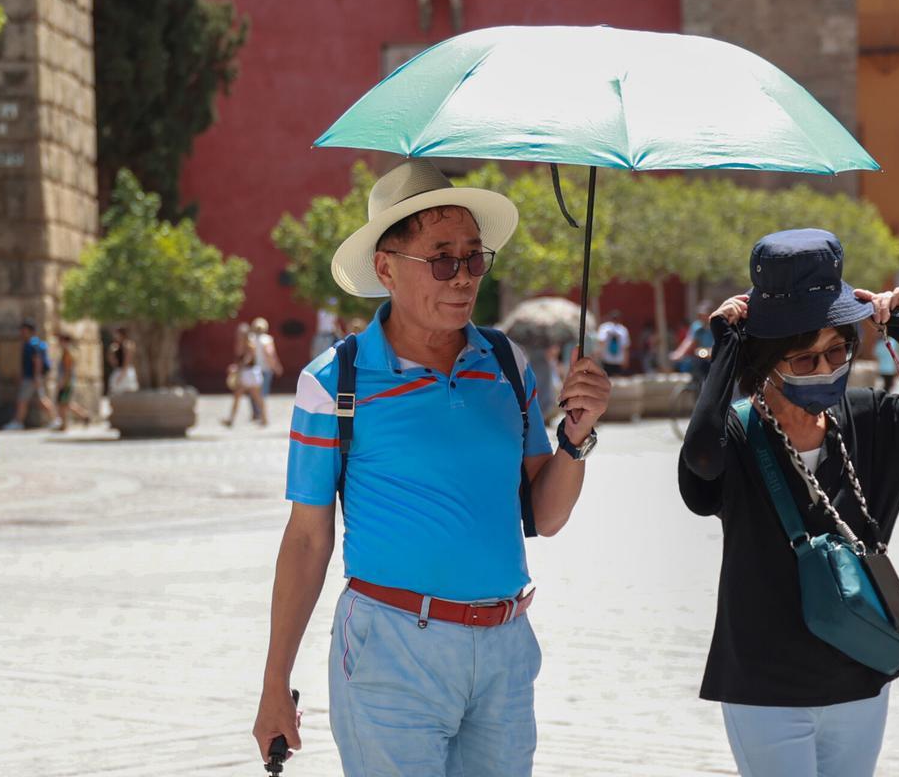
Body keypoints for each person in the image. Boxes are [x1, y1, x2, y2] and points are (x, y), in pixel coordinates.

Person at [252, 159, 611, 776]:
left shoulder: (506, 363)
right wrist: (274, 683)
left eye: (475, 257)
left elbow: (545, 517)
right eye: (442, 258)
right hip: (390, 652)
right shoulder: (332, 383)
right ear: (386, 267)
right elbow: (308, 538)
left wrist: (575, 438)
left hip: (505, 650)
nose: (464, 276)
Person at [678, 229, 899, 777]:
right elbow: (702, 459)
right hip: (765, 686)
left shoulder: (875, 418)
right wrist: (727, 350)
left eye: (837, 350)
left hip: (860, 673)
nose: (825, 367)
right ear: (768, 365)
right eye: (803, 360)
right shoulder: (736, 433)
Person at [4, 319, 57, 430]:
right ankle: (55, 419)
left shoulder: (31, 344)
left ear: (30, 331)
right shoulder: (35, 343)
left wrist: (36, 377)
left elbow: (37, 361)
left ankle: (18, 422)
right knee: (40, 399)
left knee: (22, 400)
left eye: (24, 330)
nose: (22, 332)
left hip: (31, 378)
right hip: (33, 377)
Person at [224, 321, 267, 427]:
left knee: (257, 397)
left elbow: (248, 359)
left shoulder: (250, 345)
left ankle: (264, 418)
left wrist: (237, 367)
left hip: (250, 373)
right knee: (237, 396)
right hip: (243, 373)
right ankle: (231, 419)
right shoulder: (239, 345)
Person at [670, 301, 716, 385]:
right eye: (700, 315)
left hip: (716, 358)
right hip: (703, 357)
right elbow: (689, 341)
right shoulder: (697, 327)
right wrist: (678, 353)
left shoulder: (716, 326)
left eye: (704, 315)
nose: (702, 317)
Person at [52, 333, 91, 431]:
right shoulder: (66, 352)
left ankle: (64, 425)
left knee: (63, 404)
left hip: (66, 382)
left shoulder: (68, 353)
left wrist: (62, 382)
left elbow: (67, 370)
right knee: (66, 403)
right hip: (67, 381)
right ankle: (84, 416)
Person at [251, 317, 284, 406]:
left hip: (253, 369)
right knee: (263, 392)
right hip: (265, 369)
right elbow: (270, 354)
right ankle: (261, 412)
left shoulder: (251, 339)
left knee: (253, 391)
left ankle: (256, 412)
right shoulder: (267, 339)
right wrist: (276, 367)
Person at [597, 309, 632, 376]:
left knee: (606, 378)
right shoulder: (623, 330)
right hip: (617, 359)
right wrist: (626, 360)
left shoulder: (604, 327)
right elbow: (625, 347)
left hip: (607, 359)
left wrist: (599, 355)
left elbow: (601, 342)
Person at [107, 327, 139, 395]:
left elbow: (127, 360)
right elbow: (114, 363)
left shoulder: (128, 345)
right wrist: (111, 353)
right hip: (119, 370)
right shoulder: (116, 346)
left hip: (125, 371)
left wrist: (122, 374)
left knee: (127, 393)